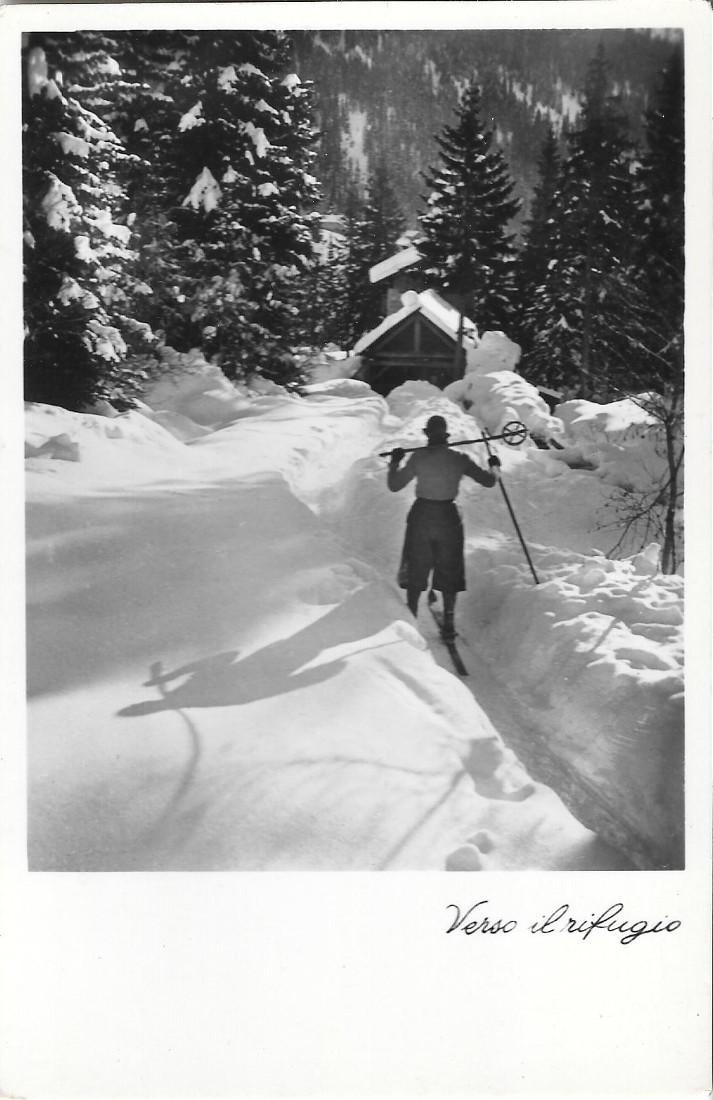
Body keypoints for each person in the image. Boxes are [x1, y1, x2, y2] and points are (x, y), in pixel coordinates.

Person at [387, 414, 500, 641]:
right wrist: (494, 466)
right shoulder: (459, 459)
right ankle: (448, 623)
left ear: (428, 435)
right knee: (450, 570)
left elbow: (394, 485)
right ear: (446, 436)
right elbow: (489, 481)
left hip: (421, 518)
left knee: (417, 568)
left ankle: (411, 619)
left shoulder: (418, 457)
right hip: (448, 519)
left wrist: (395, 462)